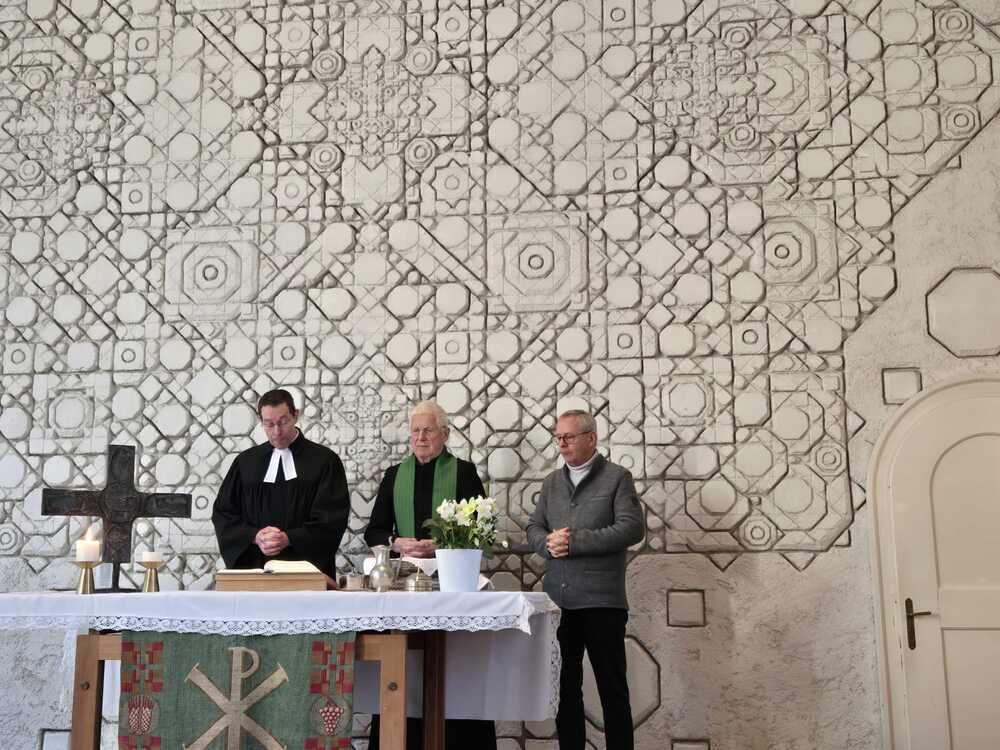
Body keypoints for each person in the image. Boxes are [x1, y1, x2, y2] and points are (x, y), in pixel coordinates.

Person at [364, 399, 497, 750]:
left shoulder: (463, 473)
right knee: (404, 666)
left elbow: (482, 527)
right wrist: (397, 542)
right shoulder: (395, 475)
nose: (420, 437)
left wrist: (442, 543)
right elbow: (374, 531)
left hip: (450, 583)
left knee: (454, 669)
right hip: (405, 585)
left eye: (428, 430)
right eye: (415, 431)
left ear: (445, 434)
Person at [526, 409, 645, 750]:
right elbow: (534, 527)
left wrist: (575, 542)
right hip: (559, 603)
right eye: (558, 438)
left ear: (591, 438)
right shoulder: (551, 482)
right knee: (564, 691)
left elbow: (632, 528)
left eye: (569, 436)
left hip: (602, 602)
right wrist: (546, 543)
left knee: (612, 691)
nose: (562, 443)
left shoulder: (618, 477)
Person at [212, 389, 350, 578]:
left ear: (296, 415)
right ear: (260, 421)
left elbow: (331, 519)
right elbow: (223, 513)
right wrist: (254, 536)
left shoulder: (325, 461)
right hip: (254, 570)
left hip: (306, 572)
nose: (277, 432)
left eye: (283, 422)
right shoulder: (245, 463)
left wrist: (289, 538)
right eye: (269, 424)